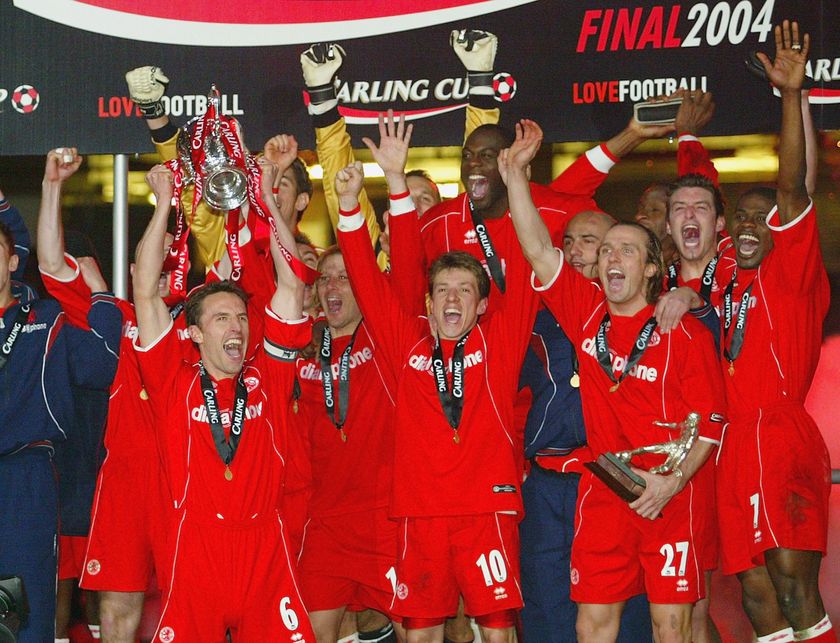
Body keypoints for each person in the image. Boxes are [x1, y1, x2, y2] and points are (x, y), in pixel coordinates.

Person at [508, 119, 726, 643]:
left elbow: (713, 424)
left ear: (653, 270)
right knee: (592, 623)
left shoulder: (682, 331)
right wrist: (517, 175)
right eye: (606, 252)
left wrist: (671, 483)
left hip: (669, 494)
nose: (611, 259)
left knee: (670, 627)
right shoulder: (585, 314)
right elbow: (539, 249)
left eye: (626, 250)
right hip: (604, 490)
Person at [336, 114, 538, 643]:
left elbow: (524, 247)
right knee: (420, 635)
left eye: (464, 290)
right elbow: (364, 276)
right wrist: (355, 204)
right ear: (427, 303)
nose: (452, 299)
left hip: (486, 508)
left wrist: (515, 176)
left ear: (483, 302)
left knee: (497, 634)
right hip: (420, 513)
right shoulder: (405, 342)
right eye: (442, 290)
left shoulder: (502, 339)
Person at [131, 160, 315, 641]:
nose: (236, 327)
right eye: (220, 319)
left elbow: (292, 283)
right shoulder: (174, 381)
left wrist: (267, 202)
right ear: (192, 332)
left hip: (264, 550)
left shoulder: (268, 377)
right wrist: (164, 205)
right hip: (195, 551)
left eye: (240, 317)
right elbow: (145, 293)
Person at [715, 21, 835, 643]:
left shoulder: (792, 271)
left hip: (781, 436)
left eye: (764, 218)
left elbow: (793, 186)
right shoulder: (725, 280)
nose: (752, 225)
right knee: (757, 599)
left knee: (794, 589)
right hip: (732, 446)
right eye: (740, 218)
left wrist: (792, 96)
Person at [0, 148, 121, 643]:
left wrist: (103, 302)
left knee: (25, 617)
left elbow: (99, 365)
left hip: (27, 481)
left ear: (13, 262)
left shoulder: (45, 320)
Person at [518, 208, 653, 643]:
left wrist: (685, 297)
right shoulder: (534, 314)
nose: (575, 250)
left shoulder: (649, 317)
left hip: (614, 477)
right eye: (569, 240)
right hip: (549, 480)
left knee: (624, 606)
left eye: (591, 241)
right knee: (546, 606)